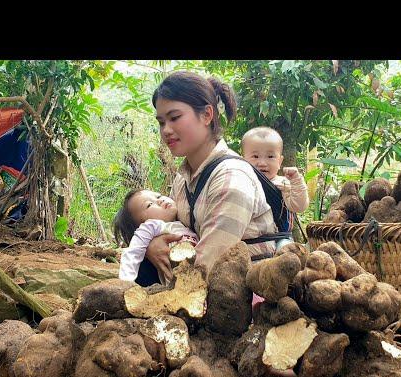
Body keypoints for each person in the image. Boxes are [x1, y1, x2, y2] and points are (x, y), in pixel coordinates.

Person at [145, 71, 278, 282]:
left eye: (175, 117)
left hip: (240, 293)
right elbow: (174, 229)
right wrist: (152, 244)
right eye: (161, 122)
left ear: (207, 115)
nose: (166, 130)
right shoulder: (183, 178)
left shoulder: (232, 178)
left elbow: (206, 267)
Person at [241, 126, 309, 249]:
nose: (262, 162)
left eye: (270, 157)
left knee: (288, 254)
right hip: (250, 243)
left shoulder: (283, 184)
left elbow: (300, 206)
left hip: (279, 240)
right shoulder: (241, 183)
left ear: (280, 161)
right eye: (255, 156)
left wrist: (296, 182)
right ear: (243, 159)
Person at [113, 189, 197, 284]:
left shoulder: (182, 221)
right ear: (142, 223)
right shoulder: (152, 226)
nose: (159, 200)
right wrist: (126, 281)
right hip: (179, 287)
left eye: (158, 196)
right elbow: (133, 252)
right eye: (149, 205)